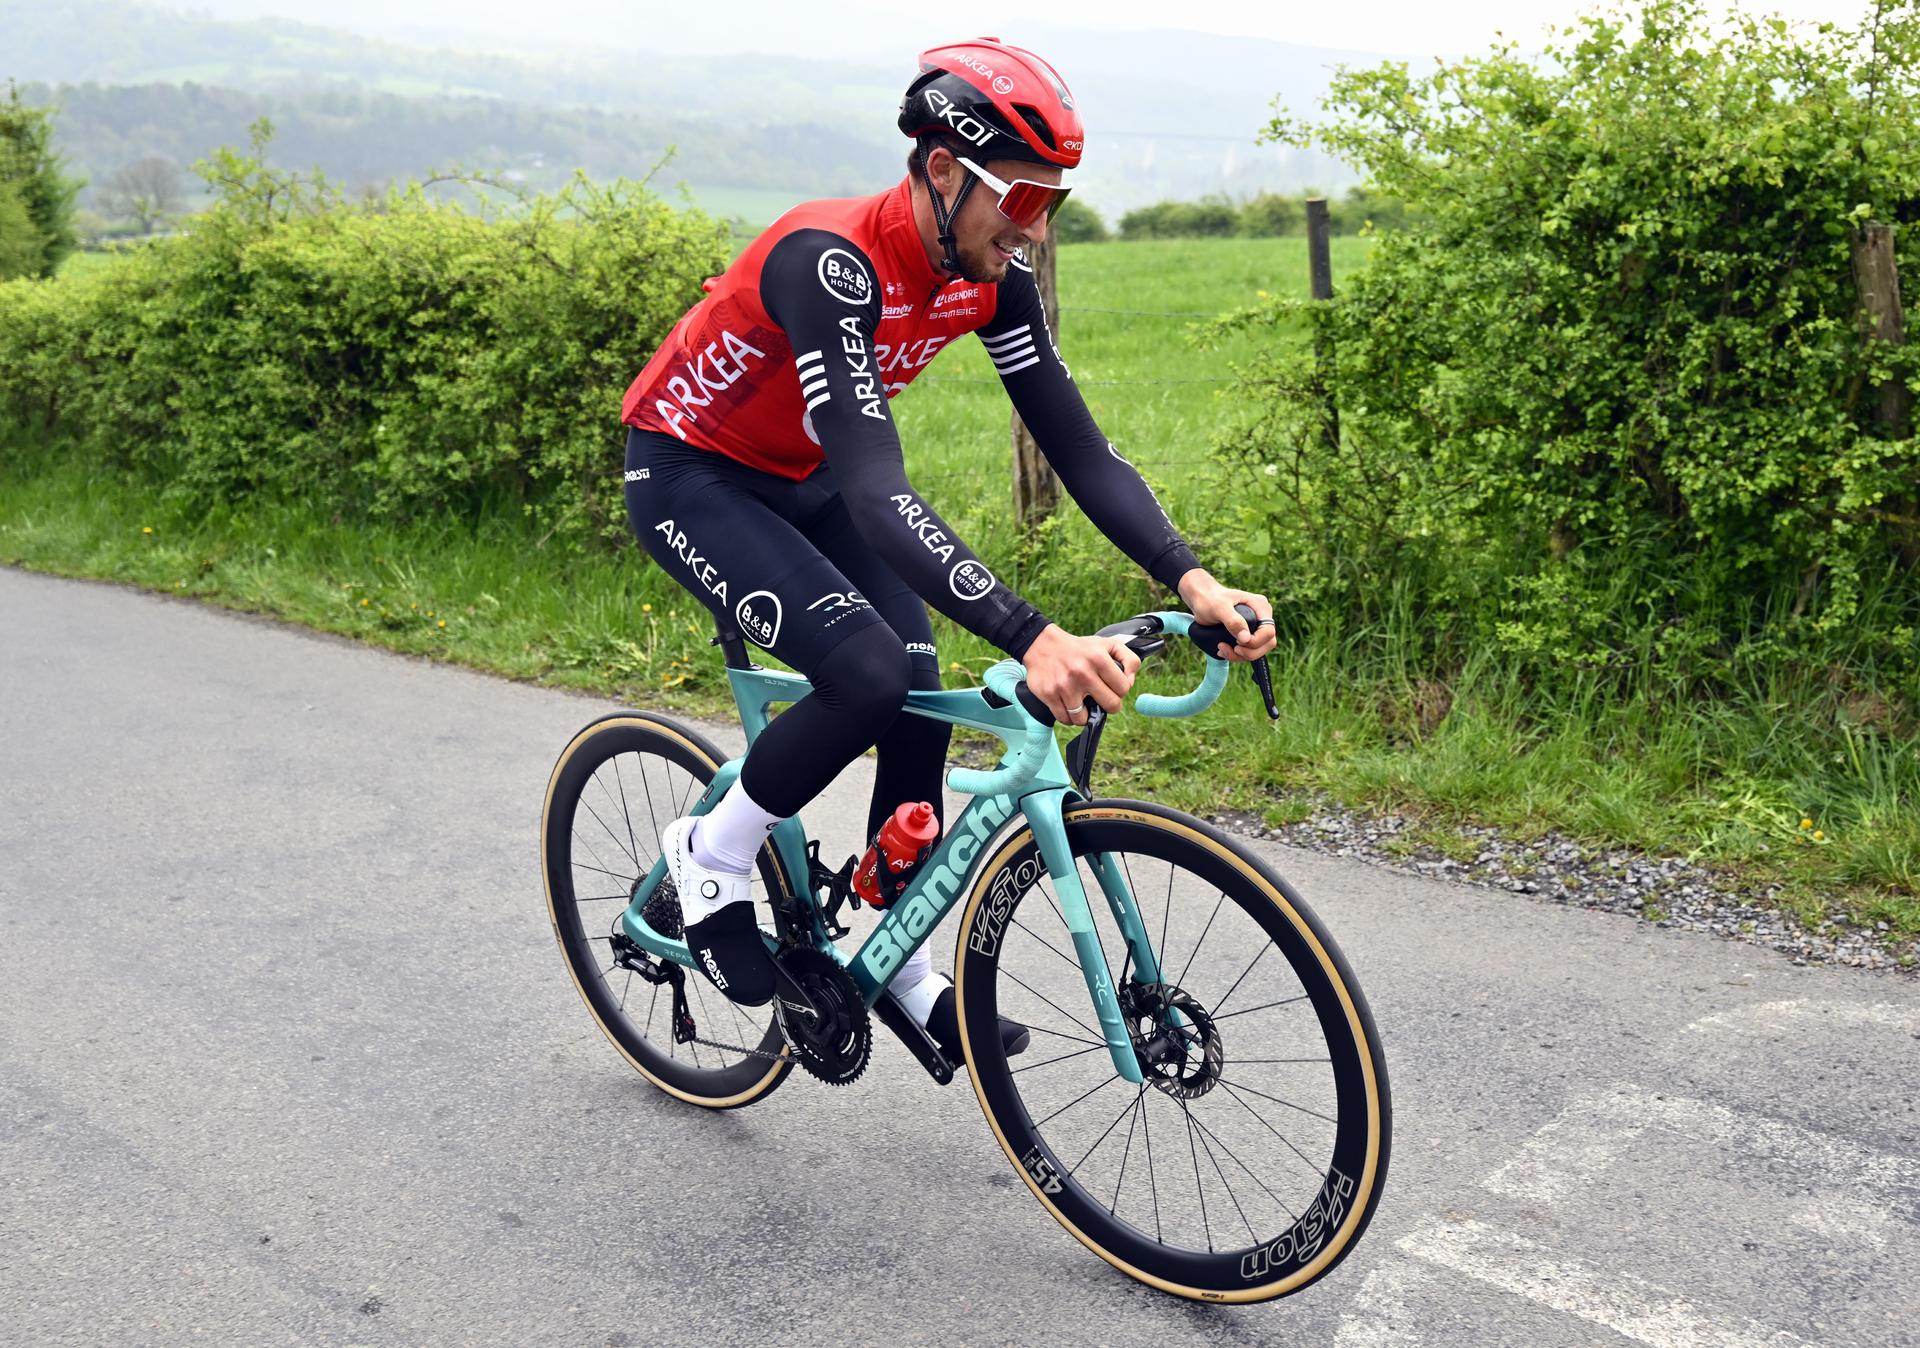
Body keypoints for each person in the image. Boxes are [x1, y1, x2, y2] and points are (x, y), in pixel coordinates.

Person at [619, 37, 1277, 1060]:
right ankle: (714, 850)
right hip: (692, 472)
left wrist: (1192, 577)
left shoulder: (989, 278)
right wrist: (1032, 634)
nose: (1035, 232)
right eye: (1020, 203)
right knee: (867, 669)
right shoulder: (828, 262)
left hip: (805, 477)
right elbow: (881, 490)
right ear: (940, 170)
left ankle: (900, 951)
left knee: (918, 684)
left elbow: (1079, 447)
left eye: (1051, 206)